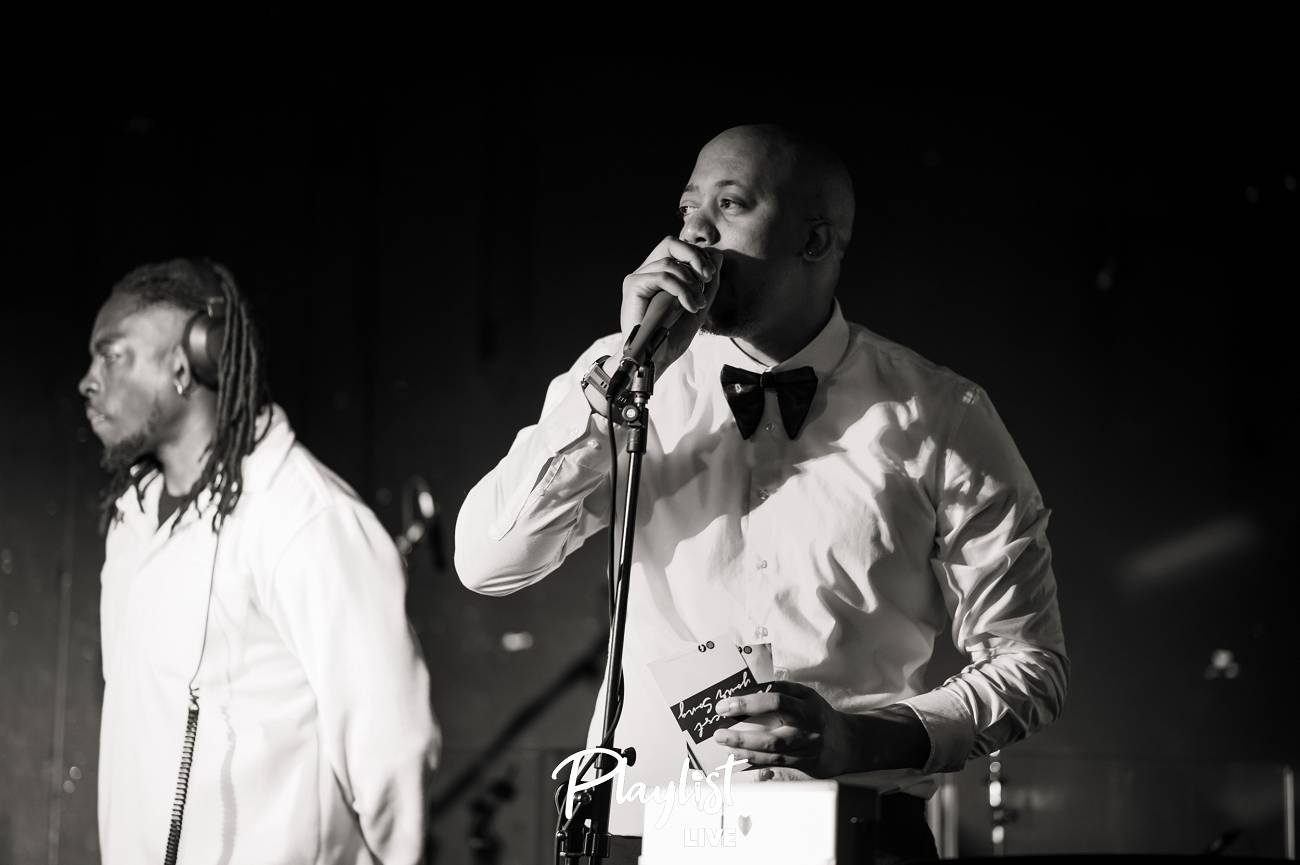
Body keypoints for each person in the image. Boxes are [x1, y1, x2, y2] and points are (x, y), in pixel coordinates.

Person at [455, 124, 1068, 862]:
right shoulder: (618, 382)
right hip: (655, 832)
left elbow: (1030, 663)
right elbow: (488, 562)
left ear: (814, 240)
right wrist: (619, 385)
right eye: (687, 208)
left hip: (860, 833)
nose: (694, 232)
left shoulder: (942, 415)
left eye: (730, 204)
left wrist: (859, 739)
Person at [80, 258, 440, 864]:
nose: (88, 381)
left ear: (187, 364)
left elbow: (392, 745)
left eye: (111, 356)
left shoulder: (304, 516)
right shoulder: (132, 520)